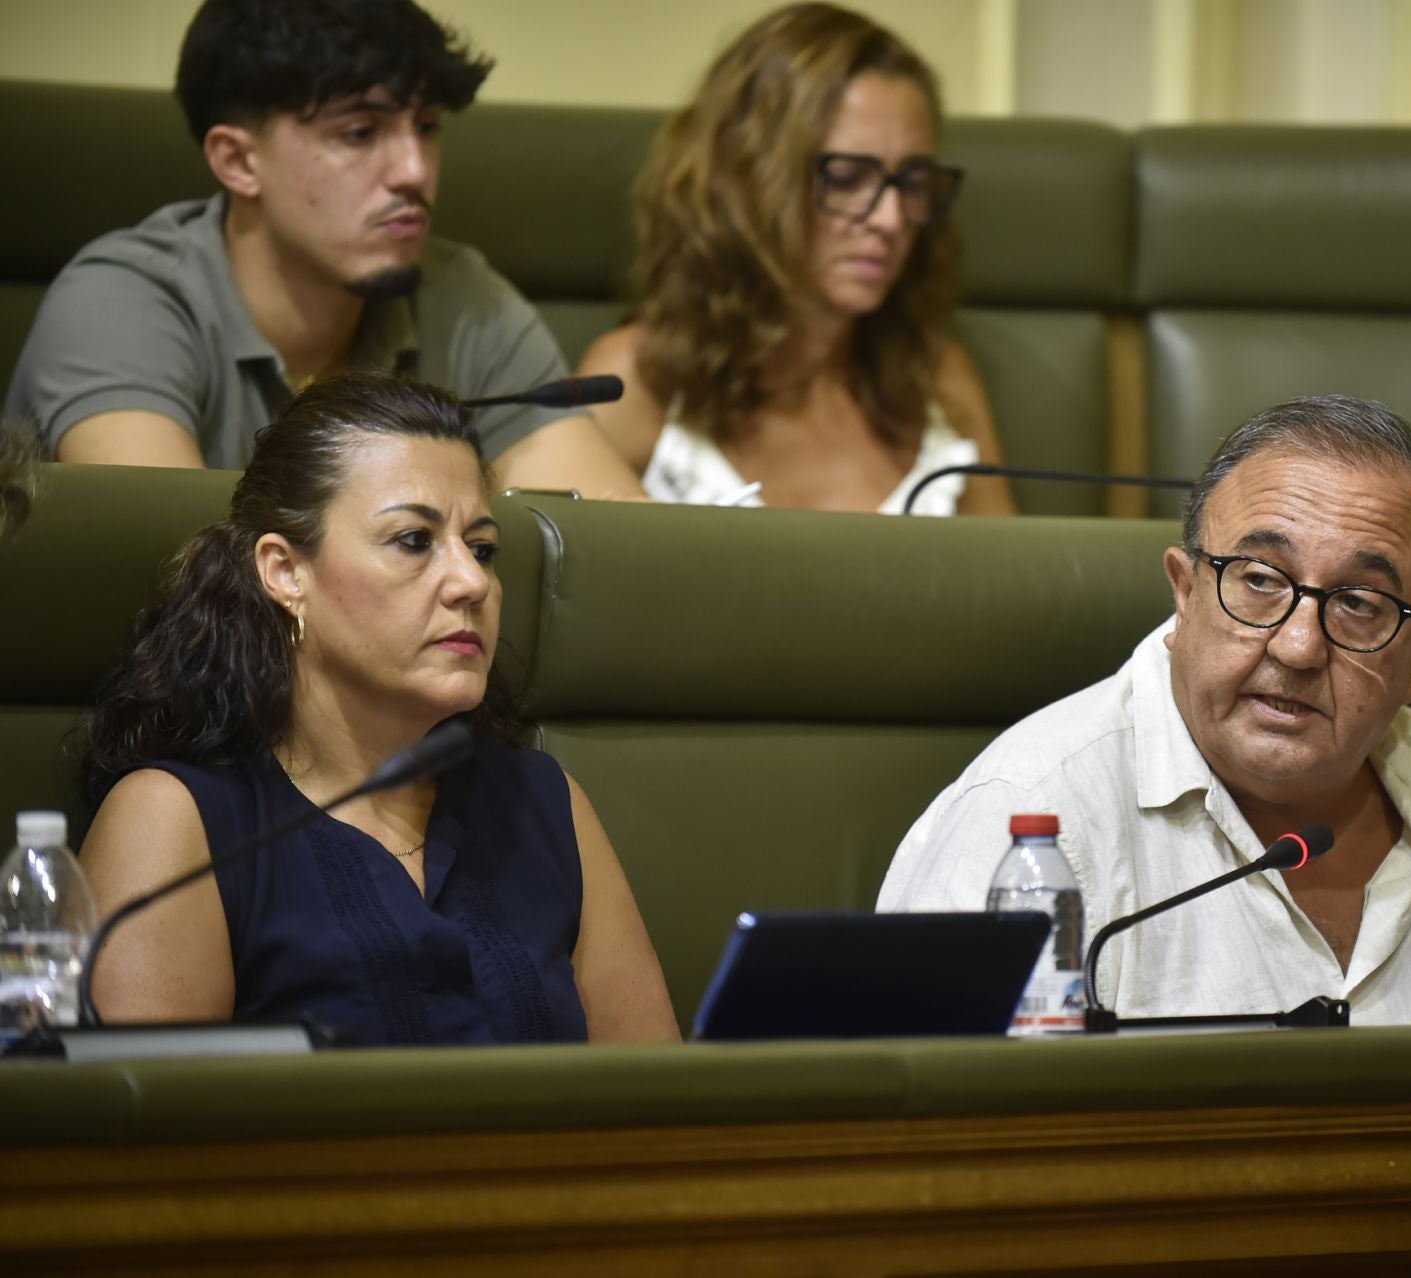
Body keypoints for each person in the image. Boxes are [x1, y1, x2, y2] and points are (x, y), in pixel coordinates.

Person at [879, 394, 1411, 1170]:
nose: (1300, 644)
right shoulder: (1036, 818)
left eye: (1358, 604)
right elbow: (930, 1176)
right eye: (1258, 580)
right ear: (1184, 590)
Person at [78, 372, 677, 1044]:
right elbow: (148, 1136)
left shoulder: (542, 802)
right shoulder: (177, 820)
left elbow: (665, 1111)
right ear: (285, 572)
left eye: (482, 548)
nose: (472, 581)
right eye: (414, 541)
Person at [4, 0, 646, 498]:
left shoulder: (465, 298)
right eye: (361, 131)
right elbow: (173, 575)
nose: (414, 170)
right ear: (238, 160)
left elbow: (613, 545)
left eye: (426, 128)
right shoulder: (122, 301)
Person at [576, 2, 1016, 515]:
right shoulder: (637, 378)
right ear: (750, 180)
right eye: (849, 177)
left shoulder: (938, 378)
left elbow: (1021, 587)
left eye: (912, 182)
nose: (891, 220)